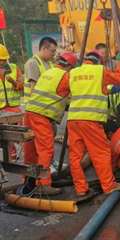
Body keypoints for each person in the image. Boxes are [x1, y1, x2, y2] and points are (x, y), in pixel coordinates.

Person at [63, 49, 120, 196]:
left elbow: (65, 89)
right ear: (99, 61)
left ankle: (80, 188)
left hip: (73, 120)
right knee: (101, 153)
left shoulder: (73, 73)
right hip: (91, 120)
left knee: (75, 156)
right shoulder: (100, 71)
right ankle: (109, 185)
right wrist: (118, 63)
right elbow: (119, 79)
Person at [23, 51, 78, 195]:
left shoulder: (48, 72)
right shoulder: (65, 76)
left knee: (31, 150)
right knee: (45, 150)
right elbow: (74, 94)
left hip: (30, 112)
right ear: (69, 67)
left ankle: (29, 182)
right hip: (42, 116)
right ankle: (43, 184)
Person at [0, 44, 24, 159]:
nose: (2, 62)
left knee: (21, 131)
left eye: (4, 59)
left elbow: (23, 86)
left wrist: (14, 83)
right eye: (0, 59)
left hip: (13, 108)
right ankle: (11, 154)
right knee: (4, 134)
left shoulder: (14, 68)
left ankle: (26, 153)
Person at [24, 37, 57, 103]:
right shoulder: (33, 63)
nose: (54, 54)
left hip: (46, 104)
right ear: (43, 49)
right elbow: (33, 89)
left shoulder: (50, 64)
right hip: (37, 106)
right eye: (52, 51)